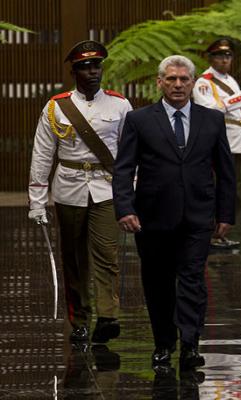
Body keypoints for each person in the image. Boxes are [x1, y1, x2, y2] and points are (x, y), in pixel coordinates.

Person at [112, 55, 236, 369]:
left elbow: (225, 171)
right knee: (158, 283)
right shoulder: (140, 120)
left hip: (197, 215)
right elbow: (124, 168)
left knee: (193, 280)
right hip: (152, 217)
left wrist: (226, 214)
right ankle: (163, 344)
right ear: (159, 82)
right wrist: (124, 208)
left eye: (183, 79)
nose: (178, 85)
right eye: (171, 79)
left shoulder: (212, 120)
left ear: (193, 82)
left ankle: (191, 345)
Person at [28, 40, 132, 344]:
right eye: (85, 67)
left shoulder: (120, 104)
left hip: (107, 189)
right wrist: (37, 200)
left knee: (107, 254)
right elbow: (42, 154)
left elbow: (130, 152)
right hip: (69, 188)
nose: (92, 72)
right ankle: (80, 320)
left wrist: (132, 189)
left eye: (96, 66)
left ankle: (108, 316)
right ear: (75, 72)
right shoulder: (56, 107)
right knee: (73, 258)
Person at [193, 38, 241, 250]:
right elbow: (211, 110)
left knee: (229, 190)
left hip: (236, 142)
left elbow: (238, 117)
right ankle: (210, 234)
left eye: (228, 56)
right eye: (220, 56)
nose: (225, 59)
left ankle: (220, 233)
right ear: (210, 58)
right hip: (218, 142)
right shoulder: (204, 82)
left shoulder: (230, 80)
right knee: (216, 188)